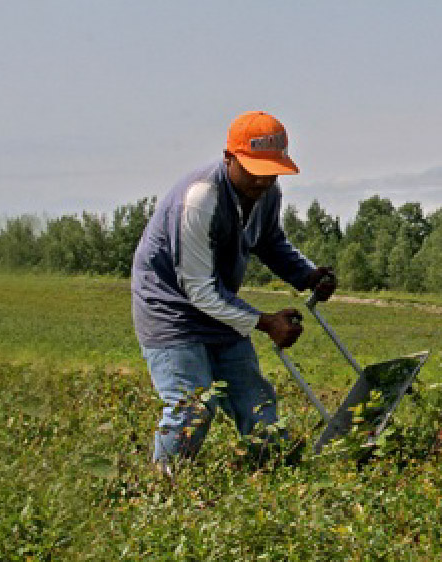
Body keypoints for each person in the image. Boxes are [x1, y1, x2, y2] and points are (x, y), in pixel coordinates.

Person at [131, 110, 337, 468]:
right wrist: (266, 322)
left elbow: (269, 242)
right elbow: (197, 289)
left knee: (256, 401)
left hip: (218, 305)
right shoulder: (200, 199)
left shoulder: (267, 192)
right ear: (230, 158)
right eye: (255, 170)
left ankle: (276, 473)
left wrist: (307, 276)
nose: (263, 181)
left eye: (271, 170)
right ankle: (162, 490)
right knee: (192, 406)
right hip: (171, 309)